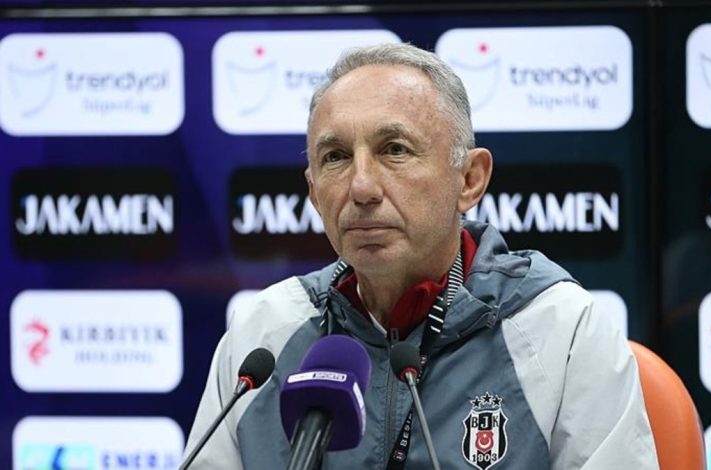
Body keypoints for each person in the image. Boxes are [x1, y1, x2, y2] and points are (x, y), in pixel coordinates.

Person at [185, 42, 659, 469]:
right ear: (313, 193)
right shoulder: (262, 335)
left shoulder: (560, 329)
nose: (362, 188)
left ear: (469, 179)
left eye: (395, 150)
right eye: (335, 157)